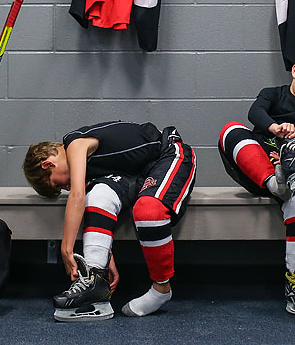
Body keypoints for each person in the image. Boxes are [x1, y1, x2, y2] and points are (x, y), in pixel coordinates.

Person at [23, 121, 196, 321]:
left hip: (167, 154)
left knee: (148, 211)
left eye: (57, 184)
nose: (66, 188)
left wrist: (66, 249)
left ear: (48, 164)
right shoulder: (91, 170)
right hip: (133, 174)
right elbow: (93, 207)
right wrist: (104, 257)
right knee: (97, 196)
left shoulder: (75, 144)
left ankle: (161, 289)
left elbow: (77, 195)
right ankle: (97, 282)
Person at [217, 50, 295, 319]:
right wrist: (274, 128)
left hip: (293, 173)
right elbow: (255, 112)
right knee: (231, 129)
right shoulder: (272, 93)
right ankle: (274, 182)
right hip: (259, 170)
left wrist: (292, 145)